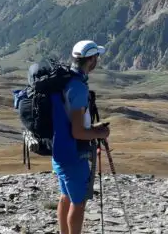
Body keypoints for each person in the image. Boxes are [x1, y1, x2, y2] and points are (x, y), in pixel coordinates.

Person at [51, 40, 111, 234]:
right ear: (91, 59)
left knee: (65, 198)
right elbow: (77, 132)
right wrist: (100, 133)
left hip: (59, 149)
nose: (97, 61)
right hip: (74, 155)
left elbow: (70, 121)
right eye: (97, 57)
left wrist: (92, 127)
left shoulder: (64, 80)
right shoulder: (78, 88)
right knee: (78, 203)